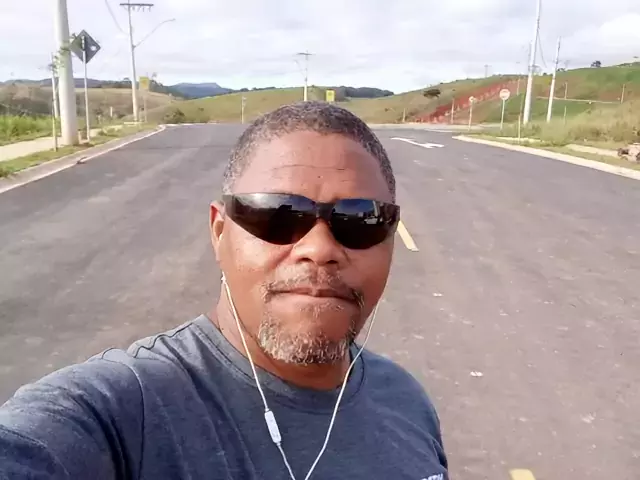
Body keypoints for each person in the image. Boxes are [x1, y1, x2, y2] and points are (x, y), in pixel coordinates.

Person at [0, 102, 448, 480]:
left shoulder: (405, 401)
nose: (319, 249)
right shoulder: (120, 412)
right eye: (279, 214)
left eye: (361, 218)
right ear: (220, 232)